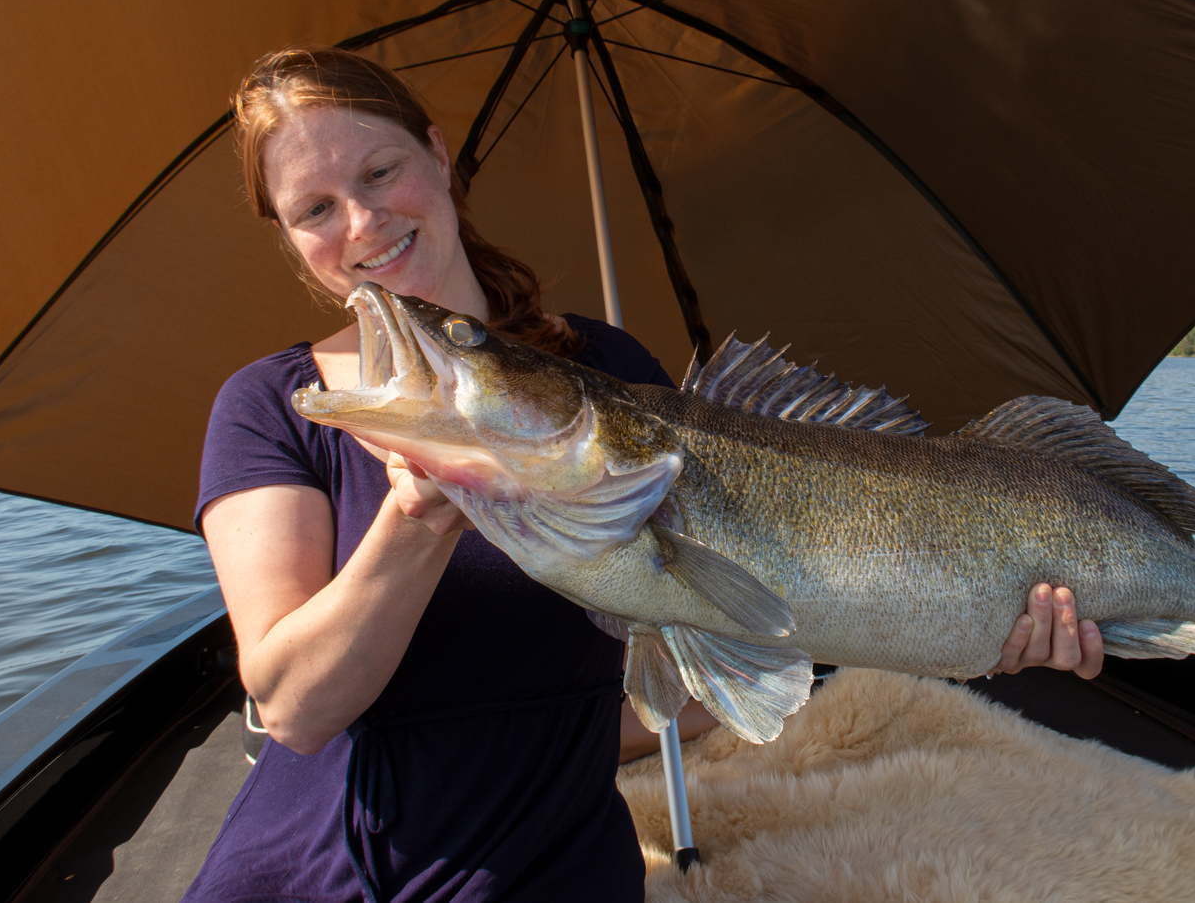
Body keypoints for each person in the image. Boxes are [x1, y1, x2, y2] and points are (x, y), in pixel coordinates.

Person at [187, 46, 1105, 903]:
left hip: (559, 859)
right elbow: (294, 707)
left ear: (437, 156)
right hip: (334, 866)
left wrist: (969, 627)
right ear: (289, 237)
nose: (361, 221)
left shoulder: (610, 366)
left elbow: (698, 656)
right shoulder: (270, 405)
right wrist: (419, 518)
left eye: (379, 172)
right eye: (314, 208)